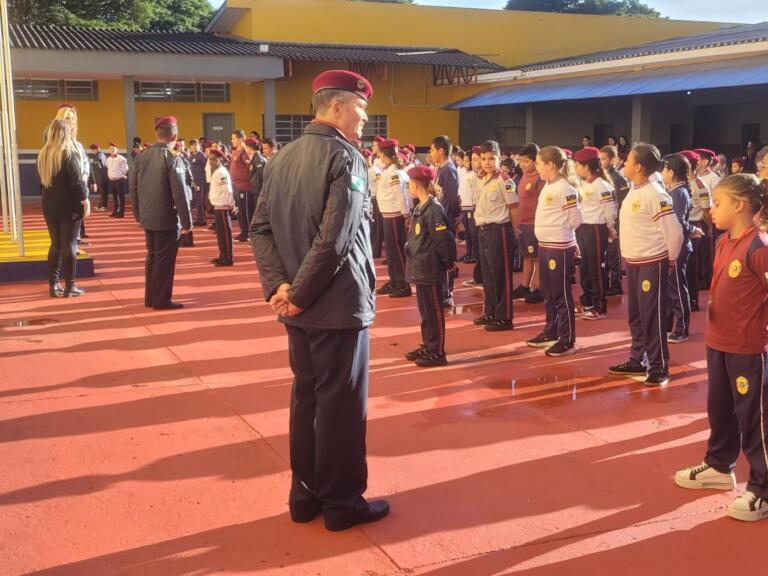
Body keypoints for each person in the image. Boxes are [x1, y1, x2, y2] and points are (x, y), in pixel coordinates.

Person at [250, 69, 389, 532]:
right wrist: (298, 295)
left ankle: (304, 494)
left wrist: (281, 289)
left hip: (298, 306)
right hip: (336, 305)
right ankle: (342, 502)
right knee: (341, 406)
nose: (366, 117)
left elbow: (260, 229)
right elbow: (336, 240)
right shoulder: (344, 158)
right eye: (362, 107)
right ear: (337, 106)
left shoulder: (283, 157)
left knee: (306, 398)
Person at [674, 174, 768, 522]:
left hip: (748, 347)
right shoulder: (723, 242)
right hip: (719, 342)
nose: (709, 210)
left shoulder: (759, 246)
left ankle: (762, 488)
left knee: (755, 420)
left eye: (717, 203)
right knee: (720, 409)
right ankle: (718, 464)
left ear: (740, 206)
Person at [609, 144, 683, 387]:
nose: (624, 163)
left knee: (653, 316)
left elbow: (674, 234)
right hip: (634, 262)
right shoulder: (635, 189)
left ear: (638, 166)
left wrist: (670, 261)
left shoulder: (655, 194)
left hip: (652, 262)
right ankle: (637, 359)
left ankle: (659, 366)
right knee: (637, 316)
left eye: (628, 160)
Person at [129, 116, 193, 311]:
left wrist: (138, 214)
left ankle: (150, 297)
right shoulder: (173, 158)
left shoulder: (142, 156)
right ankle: (161, 299)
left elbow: (133, 187)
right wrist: (187, 221)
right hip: (167, 218)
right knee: (164, 261)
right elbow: (179, 193)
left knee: (152, 257)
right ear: (175, 135)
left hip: (148, 216)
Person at [526, 146, 583, 356]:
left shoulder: (565, 189)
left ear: (550, 165)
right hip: (546, 245)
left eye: (539, 164)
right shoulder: (548, 186)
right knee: (548, 293)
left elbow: (576, 220)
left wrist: (567, 237)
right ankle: (551, 330)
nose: (537, 168)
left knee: (561, 294)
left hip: (559, 247)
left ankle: (567, 338)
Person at [404, 165, 457, 368]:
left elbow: (443, 241)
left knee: (434, 312)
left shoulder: (434, 210)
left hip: (431, 268)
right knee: (425, 312)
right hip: (420, 268)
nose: (408, 186)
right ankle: (428, 344)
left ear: (417, 184)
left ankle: (437, 351)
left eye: (410, 183)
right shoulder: (420, 207)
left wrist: (449, 263)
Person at [39, 119, 89, 298]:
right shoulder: (68, 154)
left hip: (49, 204)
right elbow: (76, 182)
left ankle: (53, 285)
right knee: (69, 244)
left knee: (55, 245)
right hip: (69, 205)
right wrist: (85, 198)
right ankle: (70, 286)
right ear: (66, 133)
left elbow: (41, 184)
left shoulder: (43, 154)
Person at [472, 139, 519, 332]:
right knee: (488, 275)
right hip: (483, 230)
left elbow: (513, 208)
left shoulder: (505, 181)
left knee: (500, 275)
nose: (487, 162)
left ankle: (504, 317)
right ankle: (491, 311)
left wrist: (515, 234)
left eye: (492, 158)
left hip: (499, 231)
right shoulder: (481, 178)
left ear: (500, 158)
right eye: (484, 158)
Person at [661, 154, 700, 343]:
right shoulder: (672, 190)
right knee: (671, 288)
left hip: (678, 246)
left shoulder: (679, 193)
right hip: (670, 245)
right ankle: (670, 325)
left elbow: (678, 223)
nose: (661, 173)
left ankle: (682, 328)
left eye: (663, 169)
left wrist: (693, 230)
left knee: (677, 286)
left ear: (671, 171)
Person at [573, 146, 615, 320]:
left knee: (596, 267)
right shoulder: (583, 184)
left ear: (586, 166)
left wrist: (610, 227)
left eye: (577, 165)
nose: (575, 169)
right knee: (585, 267)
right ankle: (588, 300)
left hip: (596, 229)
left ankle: (599, 306)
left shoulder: (602, 185)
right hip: (583, 228)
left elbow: (609, 210)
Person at [374, 139, 412, 298]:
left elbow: (401, 196)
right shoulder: (388, 170)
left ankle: (404, 284)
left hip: (395, 216)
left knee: (397, 251)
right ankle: (394, 280)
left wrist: (406, 215)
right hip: (388, 216)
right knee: (391, 252)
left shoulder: (394, 173)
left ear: (383, 154)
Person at [512, 143, 545, 304]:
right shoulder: (524, 176)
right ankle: (525, 285)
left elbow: (543, 202)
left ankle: (539, 287)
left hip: (534, 224)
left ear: (535, 161)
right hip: (524, 223)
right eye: (521, 161)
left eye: (526, 161)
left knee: (537, 257)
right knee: (527, 256)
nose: (523, 165)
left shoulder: (540, 178)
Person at [431, 135, 460, 306]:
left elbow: (450, 198)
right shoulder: (441, 169)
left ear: (441, 151)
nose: (431, 153)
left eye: (432, 150)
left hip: (445, 219)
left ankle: (447, 293)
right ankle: (442, 290)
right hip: (440, 217)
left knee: (447, 255)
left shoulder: (448, 169)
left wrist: (447, 219)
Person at [601, 145, 630, 296]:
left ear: (612, 159)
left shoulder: (618, 179)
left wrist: (617, 223)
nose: (601, 161)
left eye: (604, 158)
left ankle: (616, 283)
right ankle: (605, 282)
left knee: (613, 253)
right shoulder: (601, 177)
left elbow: (623, 203)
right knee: (604, 254)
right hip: (603, 220)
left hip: (616, 220)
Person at [207, 149, 236, 266]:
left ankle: (228, 258)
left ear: (221, 160)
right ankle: (223, 255)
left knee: (225, 234)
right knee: (220, 234)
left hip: (223, 206)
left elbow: (227, 190)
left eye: (214, 159)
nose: (211, 162)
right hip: (218, 206)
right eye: (210, 159)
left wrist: (231, 204)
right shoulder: (217, 171)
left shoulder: (222, 172)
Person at [229, 129, 254, 241]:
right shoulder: (236, 151)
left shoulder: (244, 151)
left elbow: (250, 168)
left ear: (240, 139)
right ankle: (243, 230)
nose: (232, 140)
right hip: (236, 185)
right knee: (239, 210)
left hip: (244, 187)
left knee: (245, 210)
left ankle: (248, 232)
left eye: (234, 138)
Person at [458, 150, 477, 263]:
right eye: (464, 161)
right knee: (467, 233)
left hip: (471, 207)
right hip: (464, 206)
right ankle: (468, 252)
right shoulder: (463, 173)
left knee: (473, 232)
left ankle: (474, 253)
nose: (465, 163)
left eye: (467, 161)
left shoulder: (474, 174)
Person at [188, 139, 208, 226]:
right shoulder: (191, 156)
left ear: (199, 146)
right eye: (192, 146)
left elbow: (206, 169)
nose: (194, 147)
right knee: (196, 201)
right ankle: (199, 218)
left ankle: (202, 220)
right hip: (194, 182)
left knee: (200, 201)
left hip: (200, 181)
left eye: (195, 145)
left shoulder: (202, 156)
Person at [106, 143, 129, 218]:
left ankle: (121, 212)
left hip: (119, 180)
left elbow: (125, 169)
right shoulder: (108, 159)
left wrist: (122, 175)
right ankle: (115, 211)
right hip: (111, 180)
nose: (112, 150)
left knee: (120, 197)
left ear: (117, 149)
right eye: (110, 148)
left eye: (113, 148)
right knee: (114, 197)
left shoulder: (121, 158)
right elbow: (108, 168)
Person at [246, 137, 267, 213]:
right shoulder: (256, 157)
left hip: (258, 189)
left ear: (249, 148)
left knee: (259, 210)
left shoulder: (258, 158)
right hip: (256, 189)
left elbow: (262, 174)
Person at [87, 144, 109, 212]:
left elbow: (103, 168)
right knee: (102, 193)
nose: (91, 151)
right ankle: (100, 206)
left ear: (96, 149)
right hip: (99, 178)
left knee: (103, 193)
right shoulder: (97, 155)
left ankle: (103, 206)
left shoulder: (100, 156)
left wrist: (105, 178)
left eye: (92, 150)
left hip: (102, 178)